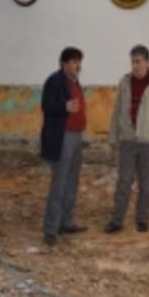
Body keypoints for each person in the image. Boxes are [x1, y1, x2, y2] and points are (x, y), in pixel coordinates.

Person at [105, 45, 149, 234]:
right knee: (124, 182)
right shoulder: (125, 82)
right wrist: (113, 137)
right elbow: (117, 111)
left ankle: (142, 219)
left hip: (148, 142)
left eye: (138, 61)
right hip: (127, 139)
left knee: (146, 184)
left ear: (147, 62)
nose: (135, 66)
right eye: (132, 61)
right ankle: (116, 220)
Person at [40, 47, 89, 246]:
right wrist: (65, 107)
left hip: (76, 136)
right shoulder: (55, 81)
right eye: (74, 61)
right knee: (59, 183)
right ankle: (51, 229)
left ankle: (65, 222)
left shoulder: (75, 82)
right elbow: (46, 107)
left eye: (79, 61)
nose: (77, 65)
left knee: (72, 181)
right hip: (63, 137)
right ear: (63, 63)